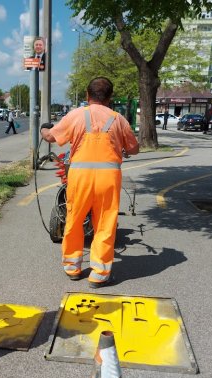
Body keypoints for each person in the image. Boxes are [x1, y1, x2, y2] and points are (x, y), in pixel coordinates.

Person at [40, 76, 139, 288]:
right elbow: (134, 148)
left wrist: (43, 128)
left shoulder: (75, 115)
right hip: (108, 178)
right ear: (110, 97)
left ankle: (72, 267)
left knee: (74, 218)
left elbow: (50, 137)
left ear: (87, 95)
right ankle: (100, 274)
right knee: (105, 223)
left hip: (80, 177)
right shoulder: (118, 119)